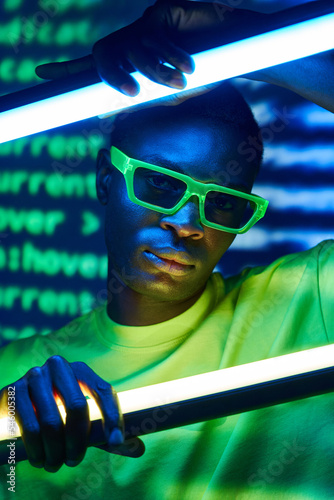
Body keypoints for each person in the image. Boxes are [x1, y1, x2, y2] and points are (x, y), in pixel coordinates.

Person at [0, 1, 333, 499]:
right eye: (159, 184)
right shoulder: (13, 382)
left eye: (222, 203)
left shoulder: (311, 302)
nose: (187, 224)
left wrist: (247, 40)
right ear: (105, 181)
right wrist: (8, 444)